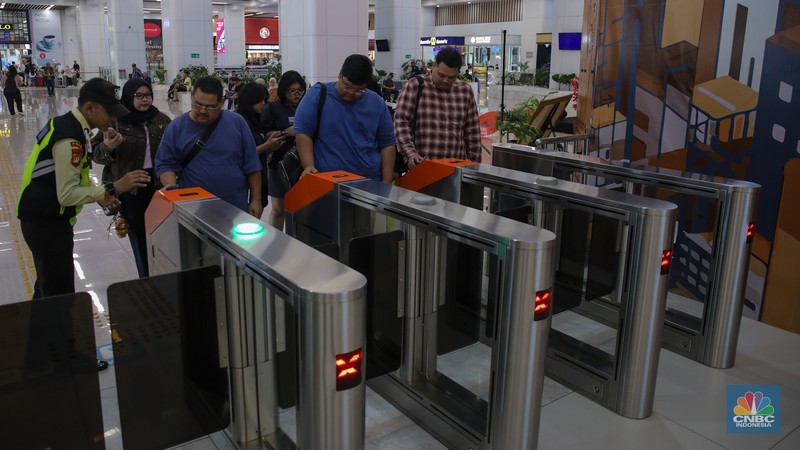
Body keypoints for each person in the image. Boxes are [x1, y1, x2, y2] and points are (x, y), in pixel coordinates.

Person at [16, 78, 150, 371]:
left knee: (47, 291)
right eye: (109, 112)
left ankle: (38, 355)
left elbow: (72, 179)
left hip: (40, 219)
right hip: (47, 225)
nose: (113, 118)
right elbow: (66, 194)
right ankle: (66, 361)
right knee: (60, 296)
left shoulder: (69, 126)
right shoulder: (71, 139)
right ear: (90, 108)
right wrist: (113, 187)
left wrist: (102, 197)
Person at [91, 78, 172, 278]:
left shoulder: (161, 120)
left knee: (163, 234)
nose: (145, 100)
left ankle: (164, 275)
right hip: (131, 188)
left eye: (148, 95)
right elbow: (95, 154)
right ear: (128, 96)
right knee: (140, 238)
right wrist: (108, 147)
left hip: (159, 186)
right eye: (139, 95)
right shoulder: (115, 122)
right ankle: (146, 279)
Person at [156, 76, 263, 217]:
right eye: (198, 104)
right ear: (192, 95)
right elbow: (165, 164)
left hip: (235, 208)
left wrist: (256, 200)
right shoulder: (176, 127)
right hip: (193, 209)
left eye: (210, 107)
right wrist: (172, 188)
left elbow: (252, 164)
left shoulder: (237, 122)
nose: (202, 111)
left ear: (221, 103)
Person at [295, 54, 396, 184]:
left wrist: (386, 181)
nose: (351, 93)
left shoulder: (376, 103)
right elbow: (303, 132)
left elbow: (387, 144)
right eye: (347, 87)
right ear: (340, 75)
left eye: (359, 91)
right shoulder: (318, 95)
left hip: (367, 181)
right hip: (326, 181)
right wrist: (309, 165)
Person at [393, 48, 481, 170]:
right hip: (422, 167)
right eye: (441, 75)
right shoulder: (416, 85)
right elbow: (401, 122)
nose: (445, 81)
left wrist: (473, 167)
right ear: (434, 65)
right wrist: (411, 153)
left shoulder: (465, 91)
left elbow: (473, 132)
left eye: (451, 77)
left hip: (456, 169)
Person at [261, 70, 306, 230]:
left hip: (303, 163)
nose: (296, 95)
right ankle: (276, 239)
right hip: (279, 161)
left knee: (301, 208)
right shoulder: (273, 108)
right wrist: (286, 132)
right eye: (292, 91)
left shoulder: (306, 106)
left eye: (300, 91)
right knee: (279, 209)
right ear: (283, 90)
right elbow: (264, 134)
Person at [235, 82, 285, 209]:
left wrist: (272, 147)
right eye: (259, 100)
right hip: (246, 179)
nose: (263, 103)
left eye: (264, 100)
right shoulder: (239, 122)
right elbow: (243, 154)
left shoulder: (257, 120)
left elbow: (259, 153)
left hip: (261, 175)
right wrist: (267, 146)